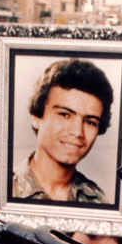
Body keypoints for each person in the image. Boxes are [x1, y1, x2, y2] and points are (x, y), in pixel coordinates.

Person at [12, 59, 112, 203]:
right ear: (36, 118)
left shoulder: (99, 200)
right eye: (65, 114)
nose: (78, 132)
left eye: (90, 122)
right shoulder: (0, 191)